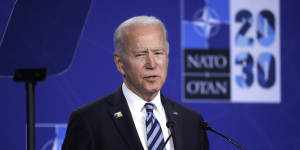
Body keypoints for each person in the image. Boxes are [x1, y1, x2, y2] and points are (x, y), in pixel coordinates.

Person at [62, 16, 209, 150]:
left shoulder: (192, 122)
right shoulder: (89, 121)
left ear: (167, 58)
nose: (151, 64)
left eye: (158, 53)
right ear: (120, 63)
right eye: (140, 54)